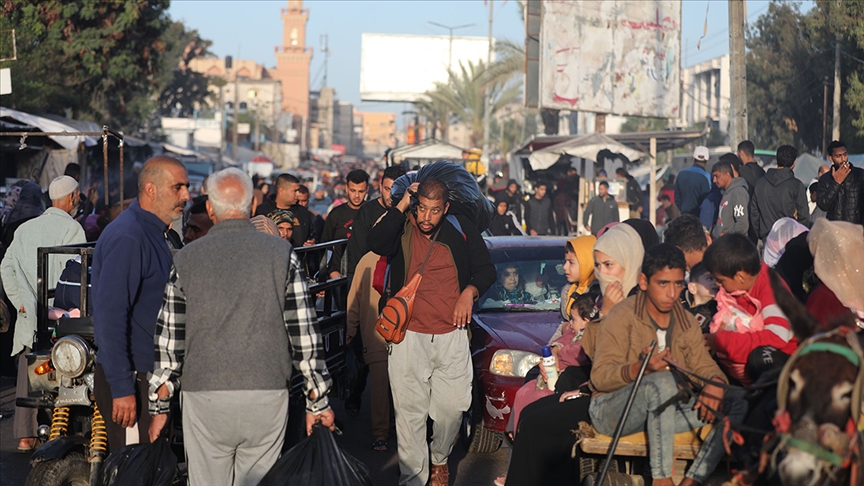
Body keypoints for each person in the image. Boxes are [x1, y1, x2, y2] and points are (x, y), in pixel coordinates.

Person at [147, 168, 334, 486]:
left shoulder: (186, 258)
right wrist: (318, 401)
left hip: (204, 395)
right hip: (266, 392)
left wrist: (159, 404)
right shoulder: (281, 254)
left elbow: (170, 339)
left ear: (210, 209)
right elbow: (303, 331)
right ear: (250, 207)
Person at [368, 178, 496, 486]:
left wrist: (470, 291)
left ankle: (439, 458)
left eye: (434, 210)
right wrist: (401, 205)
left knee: (453, 409)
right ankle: (413, 478)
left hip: (452, 336)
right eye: (422, 208)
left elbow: (486, 270)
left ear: (446, 208)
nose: (427, 217)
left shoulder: (460, 227)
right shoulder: (403, 226)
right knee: (410, 415)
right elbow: (376, 242)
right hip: (407, 336)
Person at [589, 243, 747, 486]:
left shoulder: (686, 321)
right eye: (663, 284)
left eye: (678, 284)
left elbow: (703, 366)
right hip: (614, 410)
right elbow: (600, 377)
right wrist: (640, 369)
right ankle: (661, 480)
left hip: (668, 410)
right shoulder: (623, 315)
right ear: (643, 282)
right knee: (662, 382)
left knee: (740, 399)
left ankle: (693, 479)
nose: (672, 293)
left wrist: (715, 383)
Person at [92, 156, 190, 452]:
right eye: (178, 187)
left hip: (150, 376)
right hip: (134, 378)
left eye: (186, 187)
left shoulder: (153, 233)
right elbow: (110, 316)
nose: (186, 195)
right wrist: (123, 388)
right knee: (135, 470)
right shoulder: (130, 236)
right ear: (151, 189)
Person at [1, 176, 86, 452]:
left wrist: (21, 302)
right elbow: (74, 276)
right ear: (72, 198)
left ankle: (26, 437)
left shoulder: (25, 228)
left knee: (28, 374)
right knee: (66, 372)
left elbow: (6, 267)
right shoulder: (73, 229)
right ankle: (57, 434)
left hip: (30, 317)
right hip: (60, 318)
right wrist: (66, 312)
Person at [702, 234, 798, 385]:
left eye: (721, 280)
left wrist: (722, 341)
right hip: (745, 355)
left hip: (784, 360)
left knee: (759, 359)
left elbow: (776, 338)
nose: (718, 285)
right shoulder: (738, 288)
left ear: (740, 277)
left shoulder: (771, 289)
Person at [347, 250, 391, 452]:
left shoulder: (408, 250)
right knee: (381, 384)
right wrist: (350, 327)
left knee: (383, 385)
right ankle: (381, 432)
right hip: (375, 332)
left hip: (379, 331)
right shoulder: (367, 260)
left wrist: (351, 327)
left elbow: (353, 298)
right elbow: (355, 297)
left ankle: (384, 433)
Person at [347, 165, 406, 278]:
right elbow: (357, 252)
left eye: (396, 189)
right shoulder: (367, 211)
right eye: (387, 189)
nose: (391, 195)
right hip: (369, 277)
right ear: (380, 187)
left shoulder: (409, 213)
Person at [750, 145, 810, 241]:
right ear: (794, 163)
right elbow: (804, 217)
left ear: (777, 160)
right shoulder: (796, 185)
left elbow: (754, 213)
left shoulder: (760, 183)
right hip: (789, 240)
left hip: (767, 239)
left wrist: (761, 234)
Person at [322, 169, 369, 279]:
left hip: (366, 275)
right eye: (353, 190)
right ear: (346, 189)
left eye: (361, 191)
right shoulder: (336, 214)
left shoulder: (372, 212)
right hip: (339, 276)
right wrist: (330, 272)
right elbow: (325, 245)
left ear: (367, 190)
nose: (356, 195)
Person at [593, 223, 645, 318]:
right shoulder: (598, 301)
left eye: (608, 264)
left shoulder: (646, 306)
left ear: (629, 263)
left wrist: (607, 315)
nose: (601, 273)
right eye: (597, 265)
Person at [254, 173, 315, 247]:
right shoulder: (262, 211)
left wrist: (313, 242)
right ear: (281, 191)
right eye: (294, 191)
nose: (297, 194)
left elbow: (313, 234)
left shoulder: (303, 213)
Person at [817, 140, 863, 224]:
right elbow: (823, 205)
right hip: (835, 228)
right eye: (838, 156)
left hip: (855, 229)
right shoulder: (825, 179)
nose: (843, 159)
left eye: (845, 155)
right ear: (831, 158)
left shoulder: (859, 175)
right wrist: (836, 183)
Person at [712, 159, 750, 238]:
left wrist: (727, 236)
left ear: (727, 175)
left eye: (717, 176)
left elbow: (742, 224)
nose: (714, 180)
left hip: (733, 245)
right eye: (713, 176)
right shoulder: (725, 192)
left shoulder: (738, 193)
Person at [675, 146, 712, 217]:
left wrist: (683, 209)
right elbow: (707, 201)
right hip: (699, 217)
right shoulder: (707, 177)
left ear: (693, 158)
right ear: (707, 160)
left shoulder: (681, 174)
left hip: (684, 215)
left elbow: (677, 198)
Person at [683, 262, 719, 331]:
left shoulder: (724, 311)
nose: (716, 283)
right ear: (692, 288)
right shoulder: (682, 315)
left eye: (718, 279)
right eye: (710, 278)